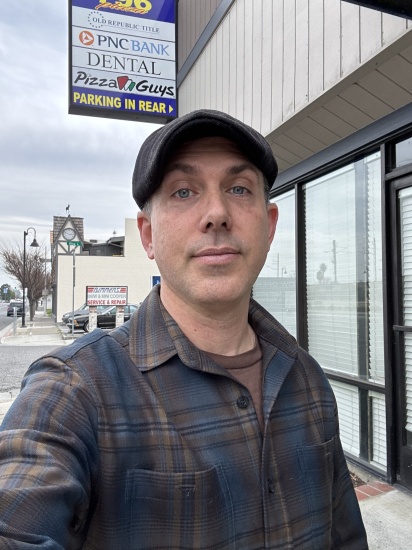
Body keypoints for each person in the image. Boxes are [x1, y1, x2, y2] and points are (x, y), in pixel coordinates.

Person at [0, 110, 368, 549]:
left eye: (238, 188)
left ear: (269, 226)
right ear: (148, 235)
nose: (217, 214)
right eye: (183, 191)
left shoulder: (307, 379)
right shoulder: (73, 392)